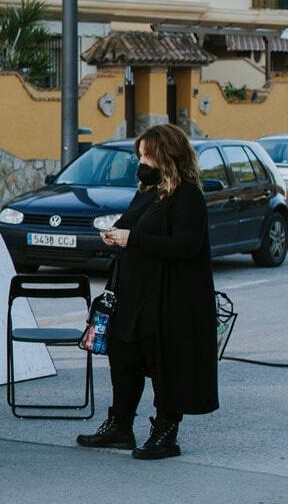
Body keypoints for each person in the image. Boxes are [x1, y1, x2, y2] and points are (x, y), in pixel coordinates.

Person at [82, 123, 219, 459]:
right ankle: (120, 425)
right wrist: (115, 234)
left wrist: (134, 239)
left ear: (167, 156)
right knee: (123, 354)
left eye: (146, 155)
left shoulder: (188, 196)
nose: (141, 162)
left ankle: (165, 432)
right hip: (134, 294)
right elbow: (132, 225)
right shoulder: (147, 191)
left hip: (170, 299)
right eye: (139, 155)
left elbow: (186, 245)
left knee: (165, 363)